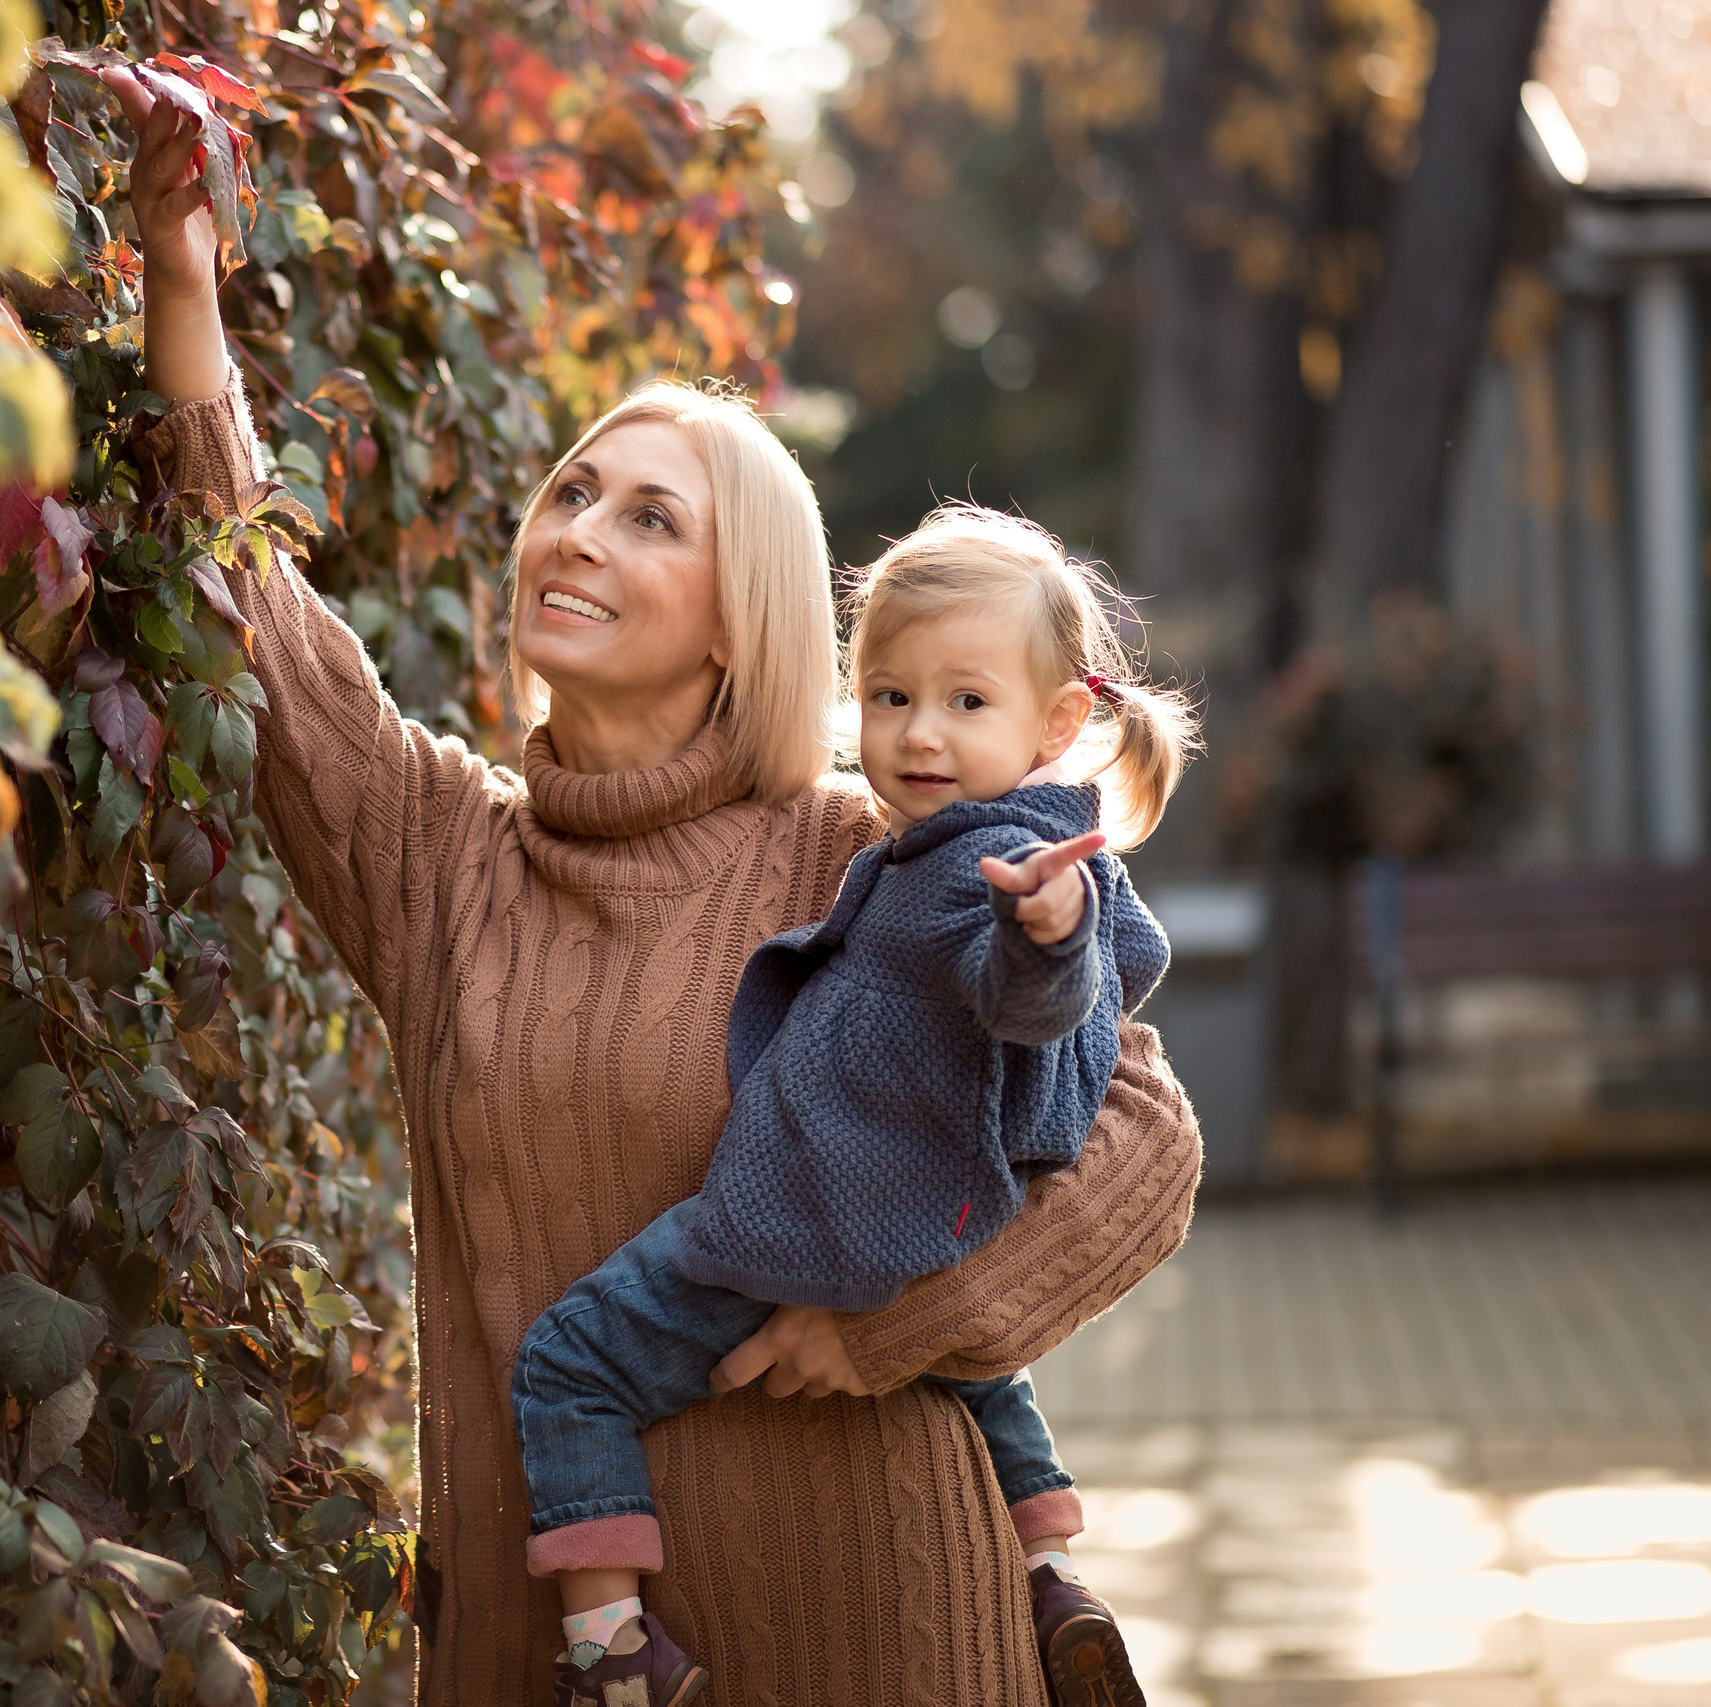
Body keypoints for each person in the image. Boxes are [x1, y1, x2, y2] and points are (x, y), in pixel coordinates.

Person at [108, 75, 1203, 1705]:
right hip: (574, 1655)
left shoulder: (868, 851)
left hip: (884, 1613)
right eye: (567, 496)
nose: (578, 533)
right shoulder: (445, 865)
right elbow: (266, 641)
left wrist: (899, 1328)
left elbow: (1143, 1143)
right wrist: (181, 289)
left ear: (735, 613)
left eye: (648, 518)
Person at [511, 505, 1195, 1707]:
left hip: (819, 1208)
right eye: (887, 697)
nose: (917, 734)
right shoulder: (1045, 844)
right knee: (971, 1369)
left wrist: (1045, 938)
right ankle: (1050, 1572)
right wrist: (1069, 931)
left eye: (964, 702)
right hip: (942, 1215)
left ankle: (611, 1656)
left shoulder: (981, 870)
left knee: (569, 1363)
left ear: (1059, 721)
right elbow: (1123, 963)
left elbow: (1030, 995)